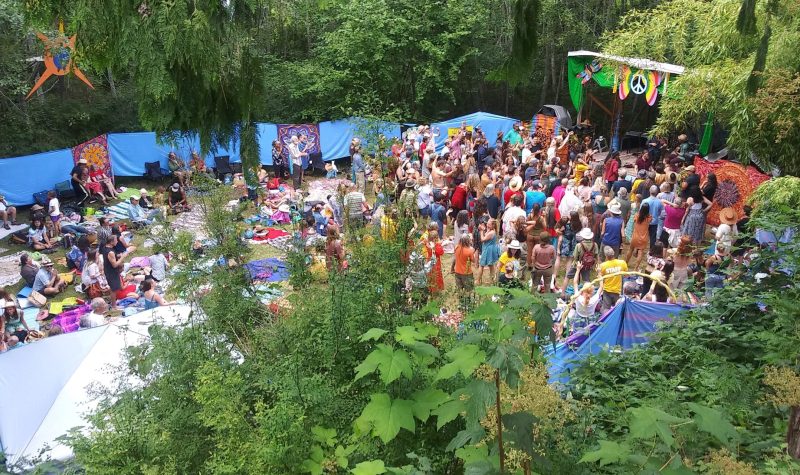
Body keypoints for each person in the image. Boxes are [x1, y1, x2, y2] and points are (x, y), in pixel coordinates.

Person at [599, 245, 628, 312]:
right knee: (618, 308)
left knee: (606, 308)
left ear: (606, 256)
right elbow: (626, 275)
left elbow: (600, 278)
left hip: (607, 290)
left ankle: (604, 321)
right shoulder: (622, 263)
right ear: (614, 253)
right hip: (618, 291)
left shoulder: (602, 266)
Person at [452, 234, 476, 305]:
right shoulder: (470, 251)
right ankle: (468, 303)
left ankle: (461, 303)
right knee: (468, 289)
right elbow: (473, 260)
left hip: (457, 272)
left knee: (460, 289)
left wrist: (452, 268)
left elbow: (455, 259)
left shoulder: (456, 247)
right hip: (467, 273)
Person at [626, 202, 651, 270]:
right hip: (644, 238)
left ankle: (626, 263)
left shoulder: (637, 215)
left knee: (630, 249)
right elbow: (650, 221)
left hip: (635, 237)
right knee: (640, 252)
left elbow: (634, 221)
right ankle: (635, 268)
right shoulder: (649, 217)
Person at [422, 222, 444, 294]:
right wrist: (439, 244)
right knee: (436, 275)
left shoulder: (428, 243)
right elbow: (441, 252)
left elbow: (424, 243)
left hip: (429, 260)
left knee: (430, 274)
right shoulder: (436, 245)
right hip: (436, 262)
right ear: (436, 238)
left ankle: (430, 288)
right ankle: (436, 289)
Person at [477, 219, 500, 285]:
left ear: (493, 225)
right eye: (487, 223)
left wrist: (481, 231)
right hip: (490, 249)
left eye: (489, 224)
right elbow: (486, 231)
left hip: (488, 250)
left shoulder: (491, 233)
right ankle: (492, 280)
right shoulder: (491, 230)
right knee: (491, 265)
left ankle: (478, 280)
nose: (487, 225)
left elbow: (482, 239)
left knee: (481, 265)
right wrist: (484, 228)